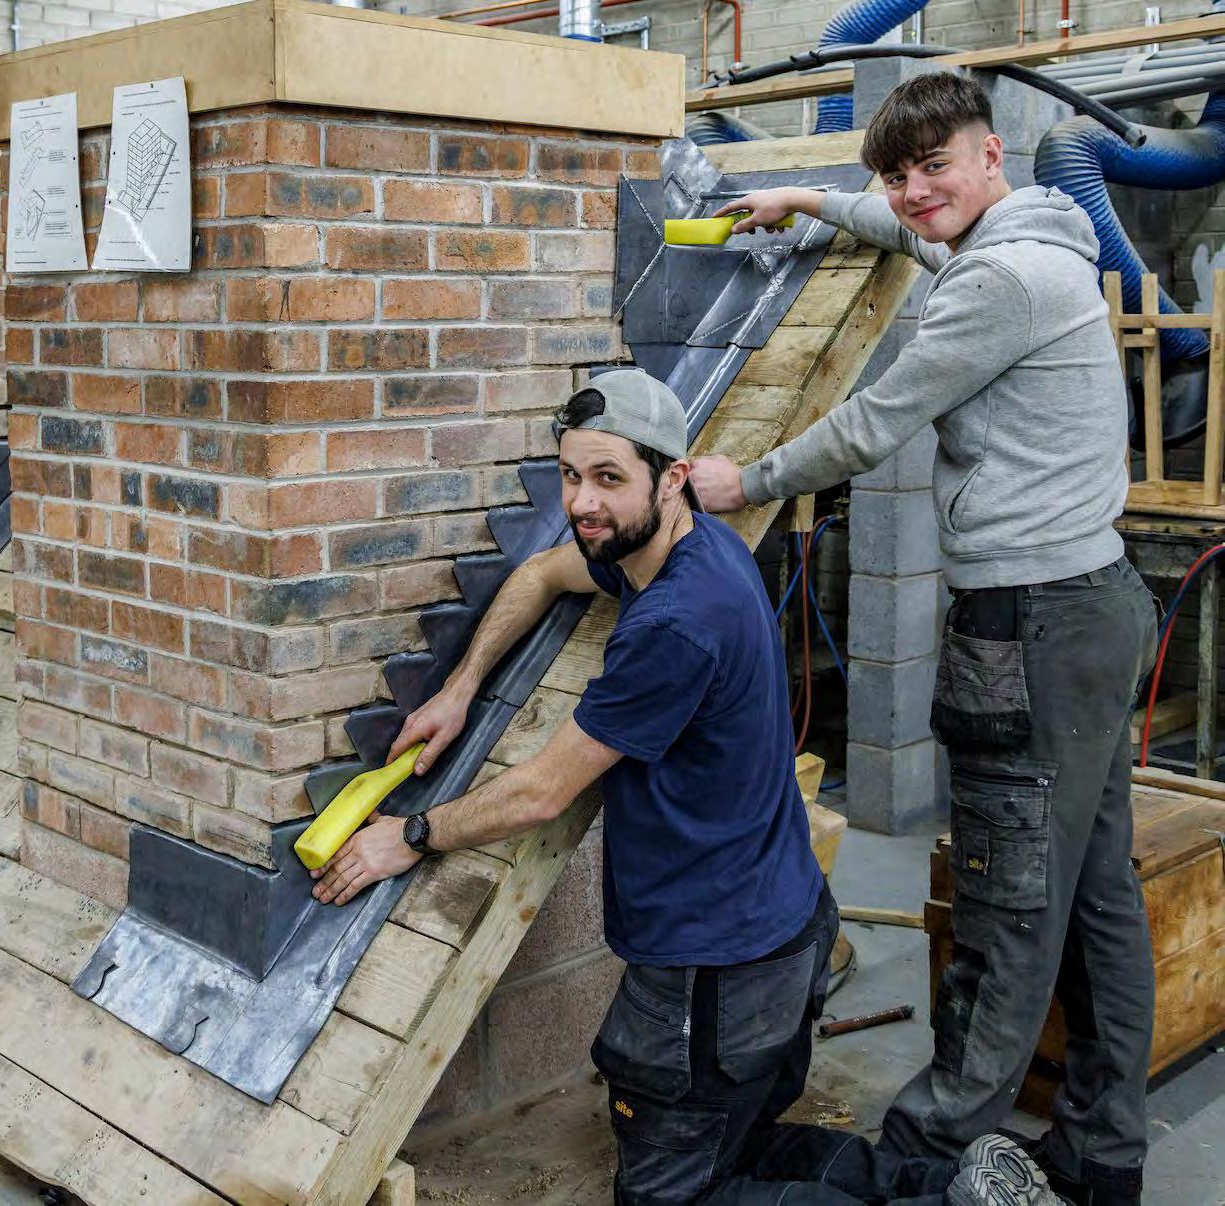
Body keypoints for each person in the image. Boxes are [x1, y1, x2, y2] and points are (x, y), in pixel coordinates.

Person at [307, 368, 1053, 1206]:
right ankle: (962, 1187)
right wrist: (461, 685)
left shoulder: (674, 625)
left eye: (609, 478)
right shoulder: (691, 546)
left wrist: (410, 836)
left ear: (672, 478)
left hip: (719, 972)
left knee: (673, 1197)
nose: (582, 502)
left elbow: (541, 792)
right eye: (570, 475)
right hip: (786, 929)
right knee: (744, 1146)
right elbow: (545, 573)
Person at [692, 72, 1157, 1206]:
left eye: (932, 167)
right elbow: (911, 234)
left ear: (989, 154)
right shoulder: (1035, 241)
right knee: (1097, 901)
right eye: (895, 175)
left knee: (1005, 907)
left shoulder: (996, 281)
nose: (912, 193)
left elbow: (872, 422)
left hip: (1030, 626)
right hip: (1095, 602)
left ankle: (920, 1159)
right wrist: (808, 199)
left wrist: (742, 480)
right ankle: (1103, 1158)